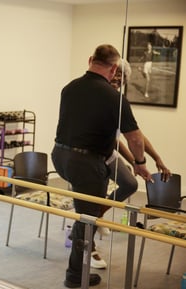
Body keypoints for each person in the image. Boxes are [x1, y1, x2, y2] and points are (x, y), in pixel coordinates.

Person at [51, 44, 153, 288]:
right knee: (86, 220)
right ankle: (75, 276)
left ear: (90, 60)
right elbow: (135, 138)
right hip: (86, 163)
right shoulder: (114, 98)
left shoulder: (70, 88)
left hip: (61, 156)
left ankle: (94, 215)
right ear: (114, 68)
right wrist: (140, 162)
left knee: (111, 191)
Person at [90, 59, 171, 269]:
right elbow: (118, 140)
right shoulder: (100, 98)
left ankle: (98, 216)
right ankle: (86, 242)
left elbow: (136, 135)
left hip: (108, 152)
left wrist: (157, 158)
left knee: (130, 184)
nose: (117, 81)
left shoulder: (119, 100)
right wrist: (135, 161)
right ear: (109, 73)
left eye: (121, 79)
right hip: (91, 155)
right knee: (92, 199)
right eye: (115, 76)